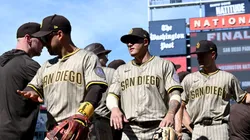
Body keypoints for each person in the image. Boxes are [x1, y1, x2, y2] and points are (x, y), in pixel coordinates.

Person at [17, 14, 108, 139]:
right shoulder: (47, 65)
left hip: (79, 130)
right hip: (53, 132)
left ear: (59, 34)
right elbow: (32, 87)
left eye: (45, 38)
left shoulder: (86, 57)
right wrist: (30, 92)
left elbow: (96, 88)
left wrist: (82, 116)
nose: (43, 43)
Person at [106, 27, 183, 139]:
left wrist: (170, 114)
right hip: (130, 129)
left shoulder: (164, 65)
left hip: (158, 126)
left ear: (145, 42)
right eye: (127, 42)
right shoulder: (121, 70)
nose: (129, 44)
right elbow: (112, 95)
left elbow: (175, 94)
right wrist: (114, 109)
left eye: (134, 40)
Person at [178, 40, 250, 140]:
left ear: (212, 54)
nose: (199, 58)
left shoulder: (228, 78)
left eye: (202, 55)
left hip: (219, 127)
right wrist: (178, 130)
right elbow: (180, 106)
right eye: (198, 55)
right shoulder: (189, 79)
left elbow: (244, 98)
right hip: (198, 127)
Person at [0, 22, 44, 140]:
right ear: (28, 38)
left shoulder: (2, 62)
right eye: (41, 39)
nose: (44, 44)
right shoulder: (29, 65)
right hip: (16, 135)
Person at [84, 43, 114, 140]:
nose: (107, 58)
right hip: (103, 123)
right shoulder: (112, 72)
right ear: (97, 57)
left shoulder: (82, 74)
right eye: (104, 55)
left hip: (84, 122)